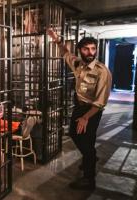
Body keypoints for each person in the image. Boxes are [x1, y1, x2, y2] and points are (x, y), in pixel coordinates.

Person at [47, 28, 112, 190]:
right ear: (80, 51)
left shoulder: (102, 71)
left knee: (86, 142)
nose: (90, 52)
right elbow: (65, 52)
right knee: (75, 134)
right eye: (86, 49)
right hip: (79, 106)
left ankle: (89, 179)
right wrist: (56, 39)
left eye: (93, 48)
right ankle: (90, 157)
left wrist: (86, 117)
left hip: (92, 110)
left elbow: (100, 101)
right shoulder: (78, 64)